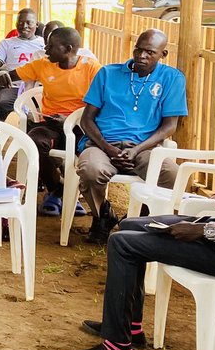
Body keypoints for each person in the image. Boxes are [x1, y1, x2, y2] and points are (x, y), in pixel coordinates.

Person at [61, 204, 215, 350]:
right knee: (130, 225)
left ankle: (117, 349)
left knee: (122, 244)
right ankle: (130, 329)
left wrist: (206, 230)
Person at [78, 29, 187, 243]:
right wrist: (108, 148)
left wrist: (136, 150)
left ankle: (138, 219)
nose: (141, 56)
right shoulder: (108, 73)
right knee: (90, 170)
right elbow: (86, 120)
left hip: (143, 148)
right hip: (102, 144)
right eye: (138, 50)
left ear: (162, 54)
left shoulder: (172, 78)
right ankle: (103, 216)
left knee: (172, 175)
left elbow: (169, 126)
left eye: (149, 52)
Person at [13, 26, 100, 217]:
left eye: (51, 46)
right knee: (34, 142)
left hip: (81, 125)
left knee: (92, 155)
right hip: (51, 124)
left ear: (68, 49)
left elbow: (103, 102)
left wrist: (71, 119)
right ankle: (57, 190)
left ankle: (77, 196)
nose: (46, 50)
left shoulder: (92, 68)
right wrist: (2, 76)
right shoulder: (43, 64)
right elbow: (11, 75)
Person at [0, 8, 45, 119]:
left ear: (37, 24)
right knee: (1, 101)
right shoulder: (6, 44)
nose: (24, 26)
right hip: (14, 86)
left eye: (29, 22)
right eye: (20, 22)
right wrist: (3, 74)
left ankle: (31, 131)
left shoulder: (44, 43)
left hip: (40, 88)